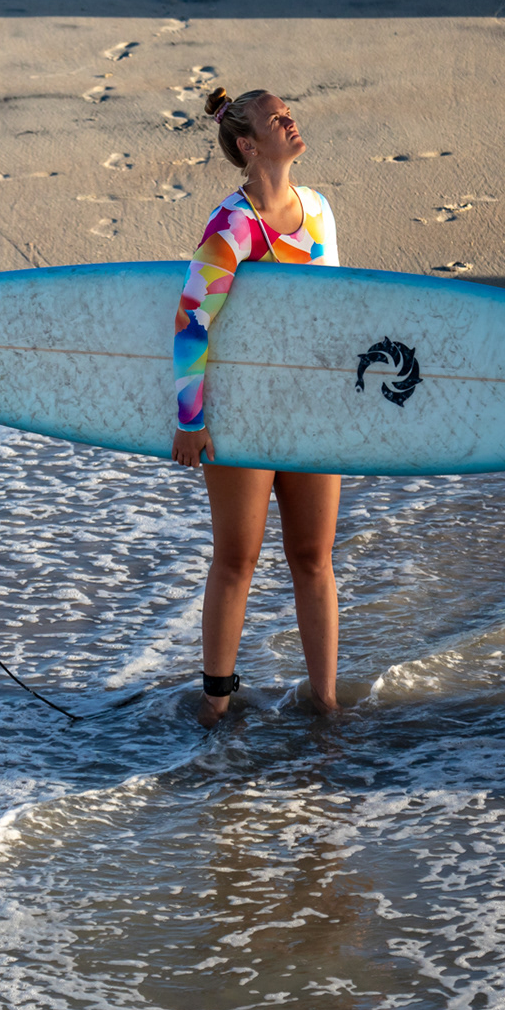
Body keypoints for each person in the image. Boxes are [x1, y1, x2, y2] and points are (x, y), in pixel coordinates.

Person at [172, 87, 342, 726]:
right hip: (244, 412)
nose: (291, 122)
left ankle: (325, 703)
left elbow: (337, 314)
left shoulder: (318, 209)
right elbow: (192, 320)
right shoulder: (233, 226)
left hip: (311, 412)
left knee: (314, 558)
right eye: (278, 119)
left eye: (289, 113)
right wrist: (191, 420)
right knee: (237, 559)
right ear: (248, 144)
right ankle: (215, 705)